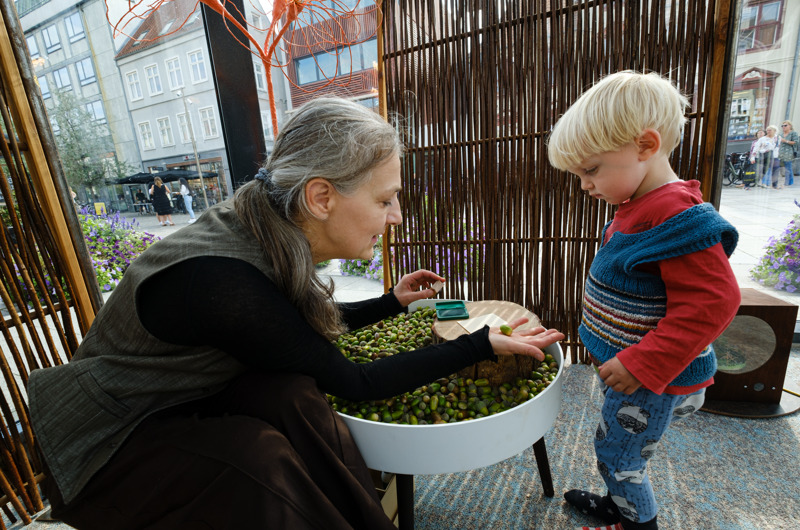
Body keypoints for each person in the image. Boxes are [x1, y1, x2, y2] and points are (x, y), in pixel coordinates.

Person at [28, 97, 565, 529]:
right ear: (321, 197)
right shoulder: (222, 280)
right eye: (385, 200)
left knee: (295, 395)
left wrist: (391, 302)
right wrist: (476, 346)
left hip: (189, 392)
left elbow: (289, 336)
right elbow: (356, 381)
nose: (397, 216)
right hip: (108, 444)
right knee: (257, 457)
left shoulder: (268, 227)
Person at [547, 71, 740, 530]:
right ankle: (620, 505)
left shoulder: (674, 216)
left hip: (653, 379)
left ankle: (637, 522)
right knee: (616, 444)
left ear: (646, 146)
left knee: (619, 456)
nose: (584, 185)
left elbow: (715, 302)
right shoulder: (640, 206)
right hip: (637, 371)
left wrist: (641, 364)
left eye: (591, 170)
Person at [778, 120, 798, 187]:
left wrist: (785, 141)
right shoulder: (780, 134)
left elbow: (796, 142)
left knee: (788, 168)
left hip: (788, 152)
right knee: (776, 167)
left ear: (790, 126)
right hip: (780, 152)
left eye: (785, 125)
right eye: (782, 126)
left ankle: (789, 182)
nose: (783, 127)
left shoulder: (793, 133)